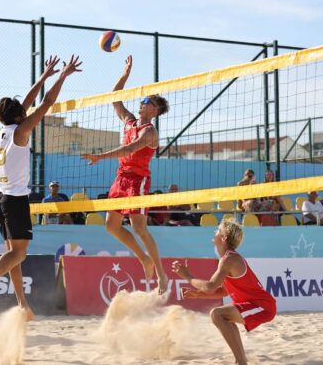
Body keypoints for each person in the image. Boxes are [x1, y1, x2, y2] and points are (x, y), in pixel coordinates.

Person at [0, 54, 82, 320]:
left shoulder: (4, 130)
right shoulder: (21, 130)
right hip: (14, 199)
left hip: (0, 197)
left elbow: (27, 103)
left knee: (13, 254)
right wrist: (62, 76)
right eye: (22, 110)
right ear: (19, 116)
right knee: (18, 253)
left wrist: (43, 76)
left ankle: (21, 303)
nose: (26, 110)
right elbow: (47, 103)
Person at [80, 55, 169, 294]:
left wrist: (100, 156)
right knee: (111, 225)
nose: (141, 103)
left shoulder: (150, 132)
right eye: (142, 100)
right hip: (121, 178)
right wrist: (125, 75)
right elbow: (114, 97)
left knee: (139, 228)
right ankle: (143, 258)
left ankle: (162, 275)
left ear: (154, 109)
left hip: (138, 181)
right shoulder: (130, 121)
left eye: (146, 101)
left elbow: (130, 149)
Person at [172, 218, 276, 365]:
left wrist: (187, 276)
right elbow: (223, 291)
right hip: (255, 303)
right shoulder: (228, 258)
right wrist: (199, 294)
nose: (215, 232)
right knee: (220, 316)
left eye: (218, 230)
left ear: (224, 237)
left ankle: (241, 361)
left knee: (217, 314)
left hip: (262, 306)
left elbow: (209, 286)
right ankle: (241, 360)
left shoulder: (230, 258)